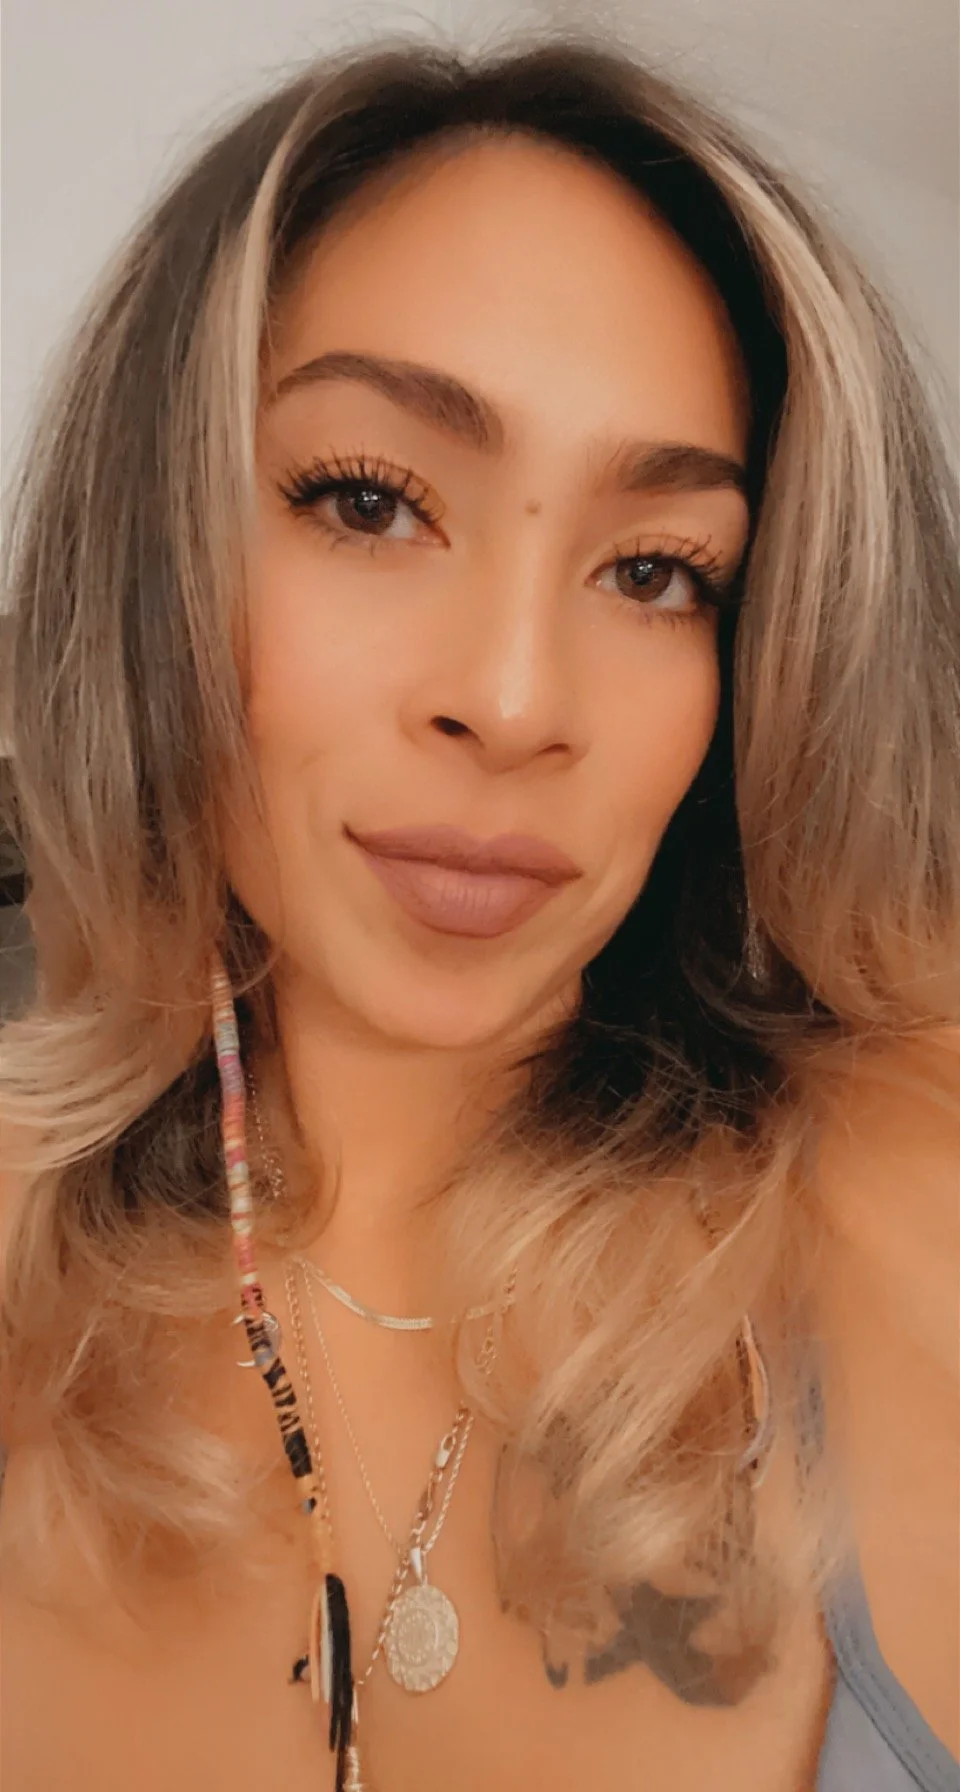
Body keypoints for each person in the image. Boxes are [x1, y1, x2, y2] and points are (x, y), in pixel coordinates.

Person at [1, 34, 957, 1792]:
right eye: (369, 502)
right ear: (153, 555)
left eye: (655, 570)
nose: (516, 702)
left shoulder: (915, 1216)